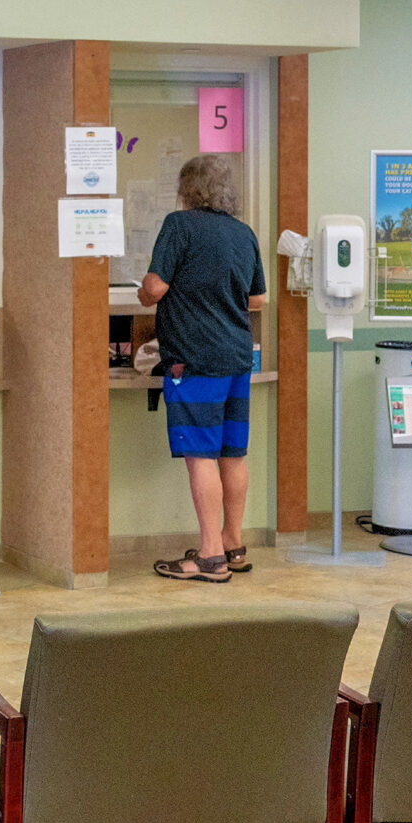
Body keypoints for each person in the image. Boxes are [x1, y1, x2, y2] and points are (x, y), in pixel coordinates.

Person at [139, 154, 268, 583]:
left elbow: (155, 288)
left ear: (187, 189)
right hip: (237, 357)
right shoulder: (243, 233)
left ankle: (209, 556)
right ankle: (233, 544)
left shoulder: (179, 226)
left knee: (201, 456)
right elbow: (257, 301)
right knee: (232, 452)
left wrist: (148, 291)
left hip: (193, 359)